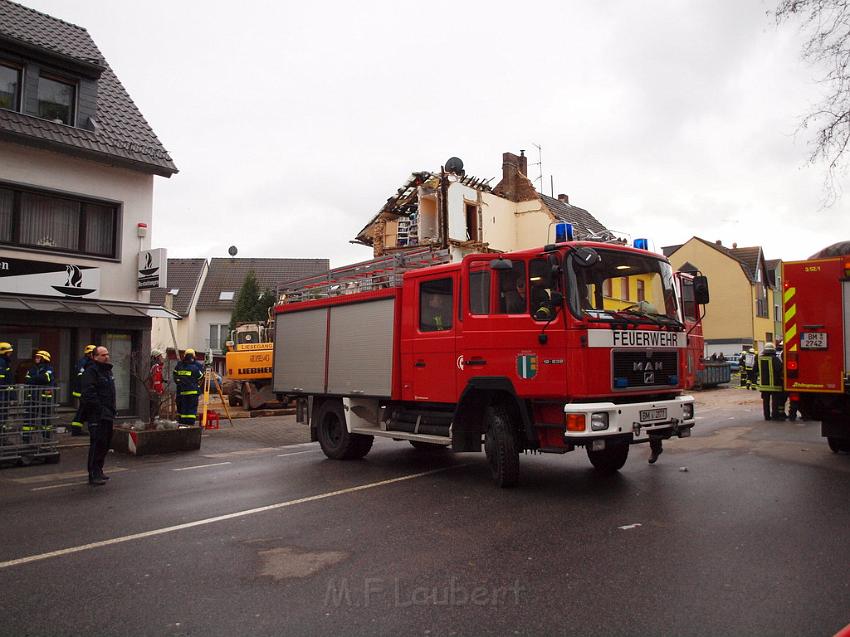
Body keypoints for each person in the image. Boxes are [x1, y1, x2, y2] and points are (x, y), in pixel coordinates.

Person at [80, 346, 115, 486]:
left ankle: (99, 469)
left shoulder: (107, 371)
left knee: (105, 443)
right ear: (94, 357)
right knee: (97, 443)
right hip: (97, 415)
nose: (106, 357)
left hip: (108, 413)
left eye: (107, 354)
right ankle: (93, 474)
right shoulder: (91, 371)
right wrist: (99, 409)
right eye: (102, 355)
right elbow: (89, 393)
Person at [24, 350, 55, 435]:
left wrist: (34, 379)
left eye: (38, 357)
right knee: (29, 417)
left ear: (44, 358)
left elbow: (46, 378)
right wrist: (39, 379)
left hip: (45, 398)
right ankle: (27, 437)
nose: (36, 359)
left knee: (45, 418)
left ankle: (46, 437)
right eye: (36, 357)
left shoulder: (49, 368)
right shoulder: (32, 368)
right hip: (33, 397)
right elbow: (27, 380)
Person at [69, 344, 96, 436]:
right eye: (93, 353)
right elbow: (82, 378)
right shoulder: (85, 363)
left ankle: (77, 429)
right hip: (82, 391)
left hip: (82, 391)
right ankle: (76, 430)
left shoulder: (85, 362)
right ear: (89, 354)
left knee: (83, 409)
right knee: (83, 409)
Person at [755, 342, 786, 421]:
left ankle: (767, 416)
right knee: (775, 401)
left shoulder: (759, 359)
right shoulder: (775, 359)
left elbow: (755, 370)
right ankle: (775, 416)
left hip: (764, 385)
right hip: (775, 385)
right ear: (773, 350)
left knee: (766, 402)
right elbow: (780, 369)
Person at [173, 349, 204, 426]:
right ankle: (189, 424)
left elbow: (175, 375)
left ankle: (183, 423)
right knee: (190, 408)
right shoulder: (196, 366)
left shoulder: (180, 365)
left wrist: (179, 382)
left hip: (182, 391)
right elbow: (200, 377)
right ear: (194, 356)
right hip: (192, 390)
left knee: (183, 408)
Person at [0, 342, 15, 437]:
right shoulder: (2, 362)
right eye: (9, 352)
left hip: (5, 394)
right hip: (2, 394)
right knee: (2, 414)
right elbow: (2, 378)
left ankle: (3, 435)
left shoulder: (5, 361)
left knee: (4, 415)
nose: (10, 354)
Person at [149, 349, 165, 422]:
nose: (162, 357)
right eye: (160, 356)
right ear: (157, 357)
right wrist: (156, 390)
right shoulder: (155, 367)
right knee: (154, 408)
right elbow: (154, 380)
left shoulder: (158, 367)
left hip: (157, 391)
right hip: (154, 391)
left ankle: (155, 421)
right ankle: (154, 422)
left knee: (156, 408)